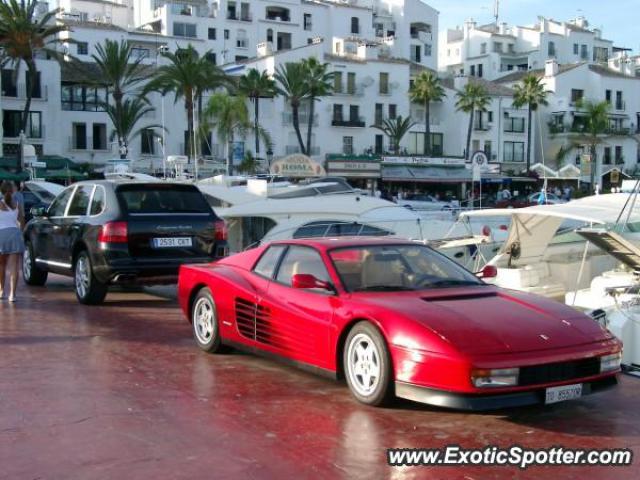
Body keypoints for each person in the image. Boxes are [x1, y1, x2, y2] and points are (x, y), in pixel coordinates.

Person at [0, 181, 26, 302]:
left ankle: (1, 291)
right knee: (14, 267)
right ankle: (12, 295)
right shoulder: (17, 204)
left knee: (1, 265)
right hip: (15, 234)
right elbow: (22, 221)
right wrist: (20, 233)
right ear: (13, 191)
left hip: (1, 235)